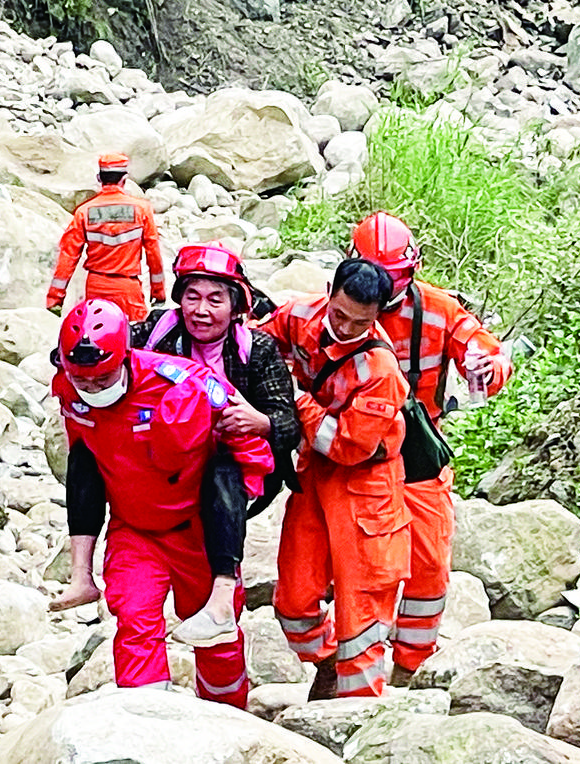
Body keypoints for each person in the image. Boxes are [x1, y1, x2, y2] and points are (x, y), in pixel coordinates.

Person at [53, 242, 300, 647]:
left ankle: (223, 591)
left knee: (222, 471)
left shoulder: (257, 351)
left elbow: (289, 424)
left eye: (215, 300)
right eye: (192, 297)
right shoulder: (156, 331)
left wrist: (261, 422)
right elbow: (101, 345)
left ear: (235, 306)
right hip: (155, 465)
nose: (201, 310)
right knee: (85, 456)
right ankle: (81, 572)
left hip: (227, 468)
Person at [50, 298, 275, 708]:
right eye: (84, 381)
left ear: (124, 357)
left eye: (103, 379)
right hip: (133, 528)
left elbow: (246, 447)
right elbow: (82, 464)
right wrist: (82, 568)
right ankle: (146, 720)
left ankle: (228, 716)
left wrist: (235, 513)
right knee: (134, 619)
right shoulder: (68, 387)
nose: (94, 389)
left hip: (196, 530)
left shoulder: (188, 382)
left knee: (216, 636)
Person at [348, 211, 512, 684]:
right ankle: (350, 670)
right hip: (352, 451)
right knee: (362, 566)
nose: (384, 290)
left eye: (395, 278)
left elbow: (485, 350)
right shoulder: (336, 308)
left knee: (430, 563)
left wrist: (488, 368)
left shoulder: (439, 310)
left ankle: (412, 666)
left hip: (417, 448)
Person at [258, 258, 411, 699]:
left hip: (366, 482)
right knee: (293, 599)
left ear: (378, 315)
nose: (345, 328)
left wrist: (293, 401)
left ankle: (357, 709)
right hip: (313, 472)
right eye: (339, 314)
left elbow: (347, 447)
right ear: (329, 292)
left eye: (359, 323)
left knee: (361, 608)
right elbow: (259, 346)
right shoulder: (299, 316)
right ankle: (325, 663)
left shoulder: (380, 371)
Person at [46, 153, 166, 321]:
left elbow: (68, 256)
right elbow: (153, 253)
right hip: (127, 288)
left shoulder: (84, 212)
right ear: (124, 179)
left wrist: (55, 298)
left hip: (96, 287)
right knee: (132, 333)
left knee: (97, 331)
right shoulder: (141, 210)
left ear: (99, 178)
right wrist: (158, 292)